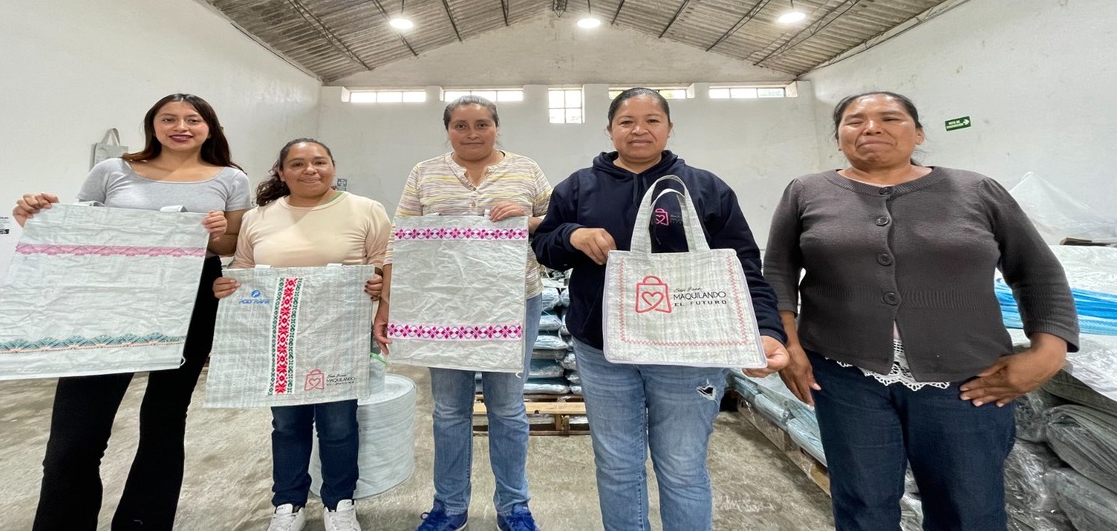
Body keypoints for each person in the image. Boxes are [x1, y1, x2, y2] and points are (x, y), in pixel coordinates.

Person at [764, 90, 1080, 531]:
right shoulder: (807, 191)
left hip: (967, 379)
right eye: (854, 121)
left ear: (919, 133)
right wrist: (790, 345)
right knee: (863, 506)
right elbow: (777, 273)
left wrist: (1049, 353)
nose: (871, 127)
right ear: (838, 138)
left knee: (969, 509)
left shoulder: (976, 190)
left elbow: (1037, 272)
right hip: (845, 378)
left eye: (890, 118)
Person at [531, 87, 788, 531]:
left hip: (688, 353)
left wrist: (766, 329)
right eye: (626, 121)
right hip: (603, 351)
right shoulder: (578, 186)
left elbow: (743, 266)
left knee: (683, 467)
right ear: (610, 129)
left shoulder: (705, 188)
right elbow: (545, 248)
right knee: (616, 466)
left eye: (652, 120)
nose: (639, 130)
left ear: (669, 128)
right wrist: (571, 235)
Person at [13, 93, 252, 531]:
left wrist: (215, 234)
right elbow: (81, 228)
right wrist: (36, 217)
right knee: (76, 432)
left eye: (193, 119)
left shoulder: (231, 178)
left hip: (190, 295)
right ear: (153, 125)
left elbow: (232, 245)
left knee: (164, 420)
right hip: (112, 297)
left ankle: (144, 522)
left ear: (209, 127)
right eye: (169, 118)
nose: (181, 126)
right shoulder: (113, 170)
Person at [373, 95, 552, 531]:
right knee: (450, 410)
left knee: (507, 409)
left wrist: (527, 220)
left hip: (513, 300)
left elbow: (558, 221)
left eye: (482, 124)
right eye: (461, 125)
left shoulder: (526, 170)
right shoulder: (425, 173)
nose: (472, 133)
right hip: (444, 304)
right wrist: (388, 303)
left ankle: (514, 506)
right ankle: (449, 506)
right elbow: (403, 238)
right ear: (448, 128)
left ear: (497, 126)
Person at [213, 138, 389, 531]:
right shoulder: (260, 218)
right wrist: (225, 286)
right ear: (281, 172)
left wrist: (378, 286)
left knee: (339, 424)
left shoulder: (365, 210)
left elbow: (384, 262)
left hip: (340, 338)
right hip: (280, 339)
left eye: (319, 161)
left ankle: (339, 502)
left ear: (332, 165)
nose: (309, 170)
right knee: (287, 424)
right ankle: (288, 504)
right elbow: (243, 270)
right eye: (297, 164)